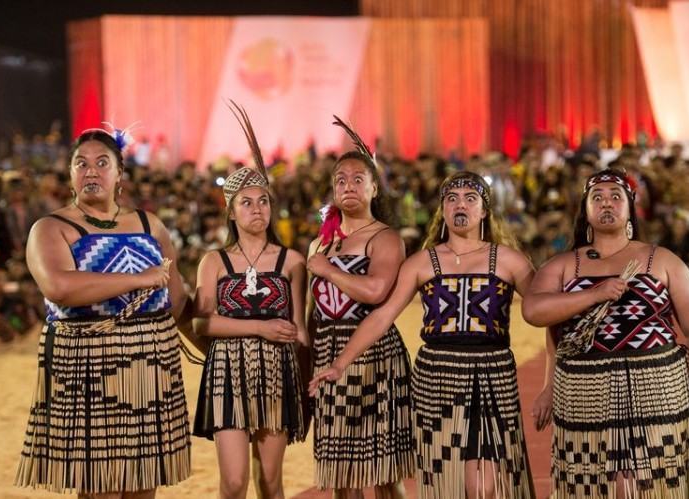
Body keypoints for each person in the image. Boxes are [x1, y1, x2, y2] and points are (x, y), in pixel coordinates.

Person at [311, 171, 537, 499]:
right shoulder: (422, 263)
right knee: (448, 483)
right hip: (437, 377)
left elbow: (544, 312)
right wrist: (341, 363)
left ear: (484, 211)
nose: (461, 205)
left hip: (491, 376)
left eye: (470, 199)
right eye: (452, 199)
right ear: (442, 210)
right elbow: (383, 316)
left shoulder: (509, 260)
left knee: (485, 487)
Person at [15, 128, 192, 497]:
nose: (91, 171)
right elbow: (60, 287)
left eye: (102, 163)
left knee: (144, 486)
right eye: (81, 163)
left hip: (151, 370)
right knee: (102, 487)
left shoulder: (150, 225)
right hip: (88, 370)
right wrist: (137, 280)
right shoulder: (50, 228)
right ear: (69, 174)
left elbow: (177, 301)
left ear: (119, 173)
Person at [522, 168, 689, 498]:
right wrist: (594, 294)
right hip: (585, 392)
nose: (606, 203)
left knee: (645, 482)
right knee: (601, 484)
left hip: (656, 388)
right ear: (585, 211)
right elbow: (538, 315)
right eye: (597, 198)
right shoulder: (565, 265)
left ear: (630, 207)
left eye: (615, 197)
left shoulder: (661, 259)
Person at [192, 104, 308, 499]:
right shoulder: (214, 262)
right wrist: (259, 327)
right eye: (246, 202)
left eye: (263, 201)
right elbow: (202, 323)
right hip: (227, 372)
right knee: (234, 481)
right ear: (230, 211)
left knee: (272, 482)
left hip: (278, 374)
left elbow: (300, 329)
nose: (257, 209)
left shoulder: (292, 261)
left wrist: (308, 381)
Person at [306, 117, 413, 497]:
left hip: (376, 356)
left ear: (372, 188)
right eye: (340, 180)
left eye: (356, 179)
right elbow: (311, 313)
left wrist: (327, 270)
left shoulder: (385, 238)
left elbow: (376, 290)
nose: (348, 186)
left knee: (385, 471)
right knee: (340, 471)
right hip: (328, 353)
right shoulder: (321, 243)